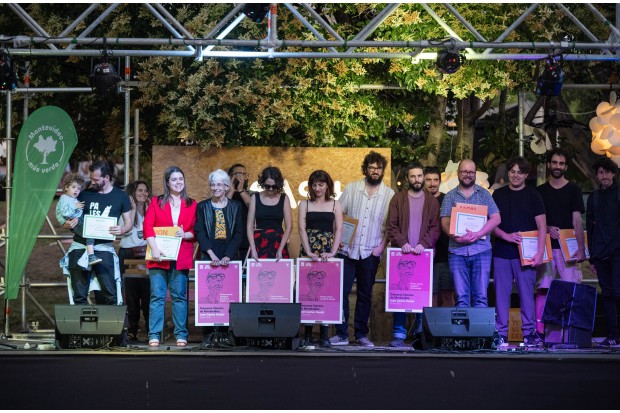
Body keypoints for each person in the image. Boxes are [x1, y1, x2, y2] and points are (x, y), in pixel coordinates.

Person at [331, 152, 394, 348]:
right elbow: (338, 213)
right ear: (365, 169)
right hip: (347, 250)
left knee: (365, 294)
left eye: (379, 168)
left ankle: (360, 334)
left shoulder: (389, 194)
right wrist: (339, 239)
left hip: (371, 251)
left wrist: (381, 247)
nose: (375, 171)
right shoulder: (352, 188)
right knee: (342, 292)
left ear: (383, 170)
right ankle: (341, 334)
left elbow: (390, 225)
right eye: (372, 167)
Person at [62, 160, 133, 307]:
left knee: (110, 293)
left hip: (104, 248)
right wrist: (68, 224)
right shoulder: (83, 195)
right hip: (80, 247)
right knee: (79, 294)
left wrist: (123, 229)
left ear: (106, 178)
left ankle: (110, 328)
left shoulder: (121, 196)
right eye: (91, 178)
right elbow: (68, 217)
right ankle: (80, 329)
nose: (92, 182)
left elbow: (129, 223)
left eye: (96, 179)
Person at [492, 157, 546, 347]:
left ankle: (529, 333)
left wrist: (540, 252)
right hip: (501, 253)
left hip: (527, 255)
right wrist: (506, 236)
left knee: (526, 295)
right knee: (501, 296)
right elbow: (490, 225)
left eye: (520, 172)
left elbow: (542, 226)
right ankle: (500, 334)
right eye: (513, 171)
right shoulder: (498, 195)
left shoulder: (534, 196)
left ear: (526, 174)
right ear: (508, 173)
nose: (516, 175)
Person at [386, 162, 440, 347]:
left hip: (422, 255)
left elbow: (435, 228)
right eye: (413, 176)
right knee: (400, 294)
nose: (417, 180)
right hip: (403, 253)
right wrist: (404, 243)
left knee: (420, 294)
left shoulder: (432, 201)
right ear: (407, 179)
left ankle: (419, 332)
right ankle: (399, 333)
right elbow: (391, 225)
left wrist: (423, 245)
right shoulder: (398, 199)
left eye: (419, 176)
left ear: (423, 177)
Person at [143, 166, 197, 348]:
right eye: (174, 179)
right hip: (158, 256)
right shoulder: (156, 202)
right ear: (167, 182)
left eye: (181, 179)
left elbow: (196, 232)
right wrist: (155, 248)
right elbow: (147, 227)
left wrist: (185, 234)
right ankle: (154, 334)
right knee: (157, 297)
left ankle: (181, 334)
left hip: (180, 256)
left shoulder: (192, 203)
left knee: (179, 297)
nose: (178, 182)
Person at [535, 148, 586, 335]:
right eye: (554, 162)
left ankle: (571, 331)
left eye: (561, 163)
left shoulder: (574, 190)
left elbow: (577, 221)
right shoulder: (539, 191)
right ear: (549, 164)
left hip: (568, 250)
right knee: (543, 289)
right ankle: (540, 331)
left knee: (571, 290)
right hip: (546, 249)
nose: (558, 166)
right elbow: (536, 221)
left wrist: (581, 249)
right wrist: (547, 228)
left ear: (566, 166)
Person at [440, 159, 500, 308]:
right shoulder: (450, 196)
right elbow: (444, 222)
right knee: (461, 298)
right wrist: (455, 236)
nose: (468, 175)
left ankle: (479, 332)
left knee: (481, 297)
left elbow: (496, 218)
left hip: (481, 251)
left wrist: (478, 234)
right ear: (459, 173)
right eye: (464, 172)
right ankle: (463, 331)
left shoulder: (485, 195)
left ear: (475, 174)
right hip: (457, 252)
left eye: (471, 172)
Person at [196, 169, 243, 347]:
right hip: (209, 252)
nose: (215, 188)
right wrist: (212, 255)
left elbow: (239, 233)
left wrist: (227, 256)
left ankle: (224, 334)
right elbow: (200, 231)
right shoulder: (202, 206)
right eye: (212, 184)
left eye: (219, 184)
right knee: (208, 295)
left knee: (226, 295)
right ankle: (208, 335)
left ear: (226, 186)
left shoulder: (235, 206)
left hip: (228, 253)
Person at [299, 170, 343, 348]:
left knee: (326, 291)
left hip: (327, 252)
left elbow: (338, 230)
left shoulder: (335, 204)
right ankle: (308, 334)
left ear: (327, 185)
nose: (317, 188)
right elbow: (301, 229)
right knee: (308, 291)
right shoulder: (304, 204)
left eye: (321, 184)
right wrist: (308, 251)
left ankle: (325, 333)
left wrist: (332, 252)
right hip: (308, 252)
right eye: (314, 184)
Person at [586, 157, 620, 346]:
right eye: (600, 172)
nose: (604, 175)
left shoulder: (618, 194)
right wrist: (591, 257)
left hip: (617, 251)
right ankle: (613, 334)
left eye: (607, 172)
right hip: (600, 252)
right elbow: (590, 228)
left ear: (613, 174)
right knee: (606, 294)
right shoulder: (594, 197)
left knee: (617, 291)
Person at [117, 180, 150, 342]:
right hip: (129, 255)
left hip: (147, 255)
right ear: (132, 193)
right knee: (130, 294)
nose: (144, 193)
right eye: (140, 191)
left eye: (146, 191)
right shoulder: (126, 210)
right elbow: (124, 231)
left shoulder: (152, 209)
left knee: (147, 293)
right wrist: (133, 209)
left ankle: (152, 330)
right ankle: (132, 330)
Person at [247, 166, 292, 260]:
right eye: (268, 186)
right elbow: (249, 226)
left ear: (279, 184)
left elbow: (289, 226)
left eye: (274, 186)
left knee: (280, 273)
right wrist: (253, 248)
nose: (271, 189)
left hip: (279, 242)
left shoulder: (284, 198)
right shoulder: (255, 197)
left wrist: (281, 248)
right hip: (259, 242)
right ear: (263, 183)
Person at [56, 173, 102, 266]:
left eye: (78, 188)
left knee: (91, 229)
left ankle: (90, 253)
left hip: (78, 220)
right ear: (66, 187)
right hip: (75, 222)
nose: (76, 190)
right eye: (73, 187)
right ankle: (91, 256)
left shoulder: (72, 198)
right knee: (89, 232)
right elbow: (65, 213)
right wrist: (75, 206)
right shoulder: (65, 198)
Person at [227, 164, 252, 261]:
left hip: (246, 239)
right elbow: (224, 208)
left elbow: (252, 207)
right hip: (229, 239)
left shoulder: (251, 194)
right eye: (238, 174)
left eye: (244, 174)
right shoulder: (224, 194)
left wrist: (241, 190)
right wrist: (232, 190)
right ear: (230, 177)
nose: (242, 177)